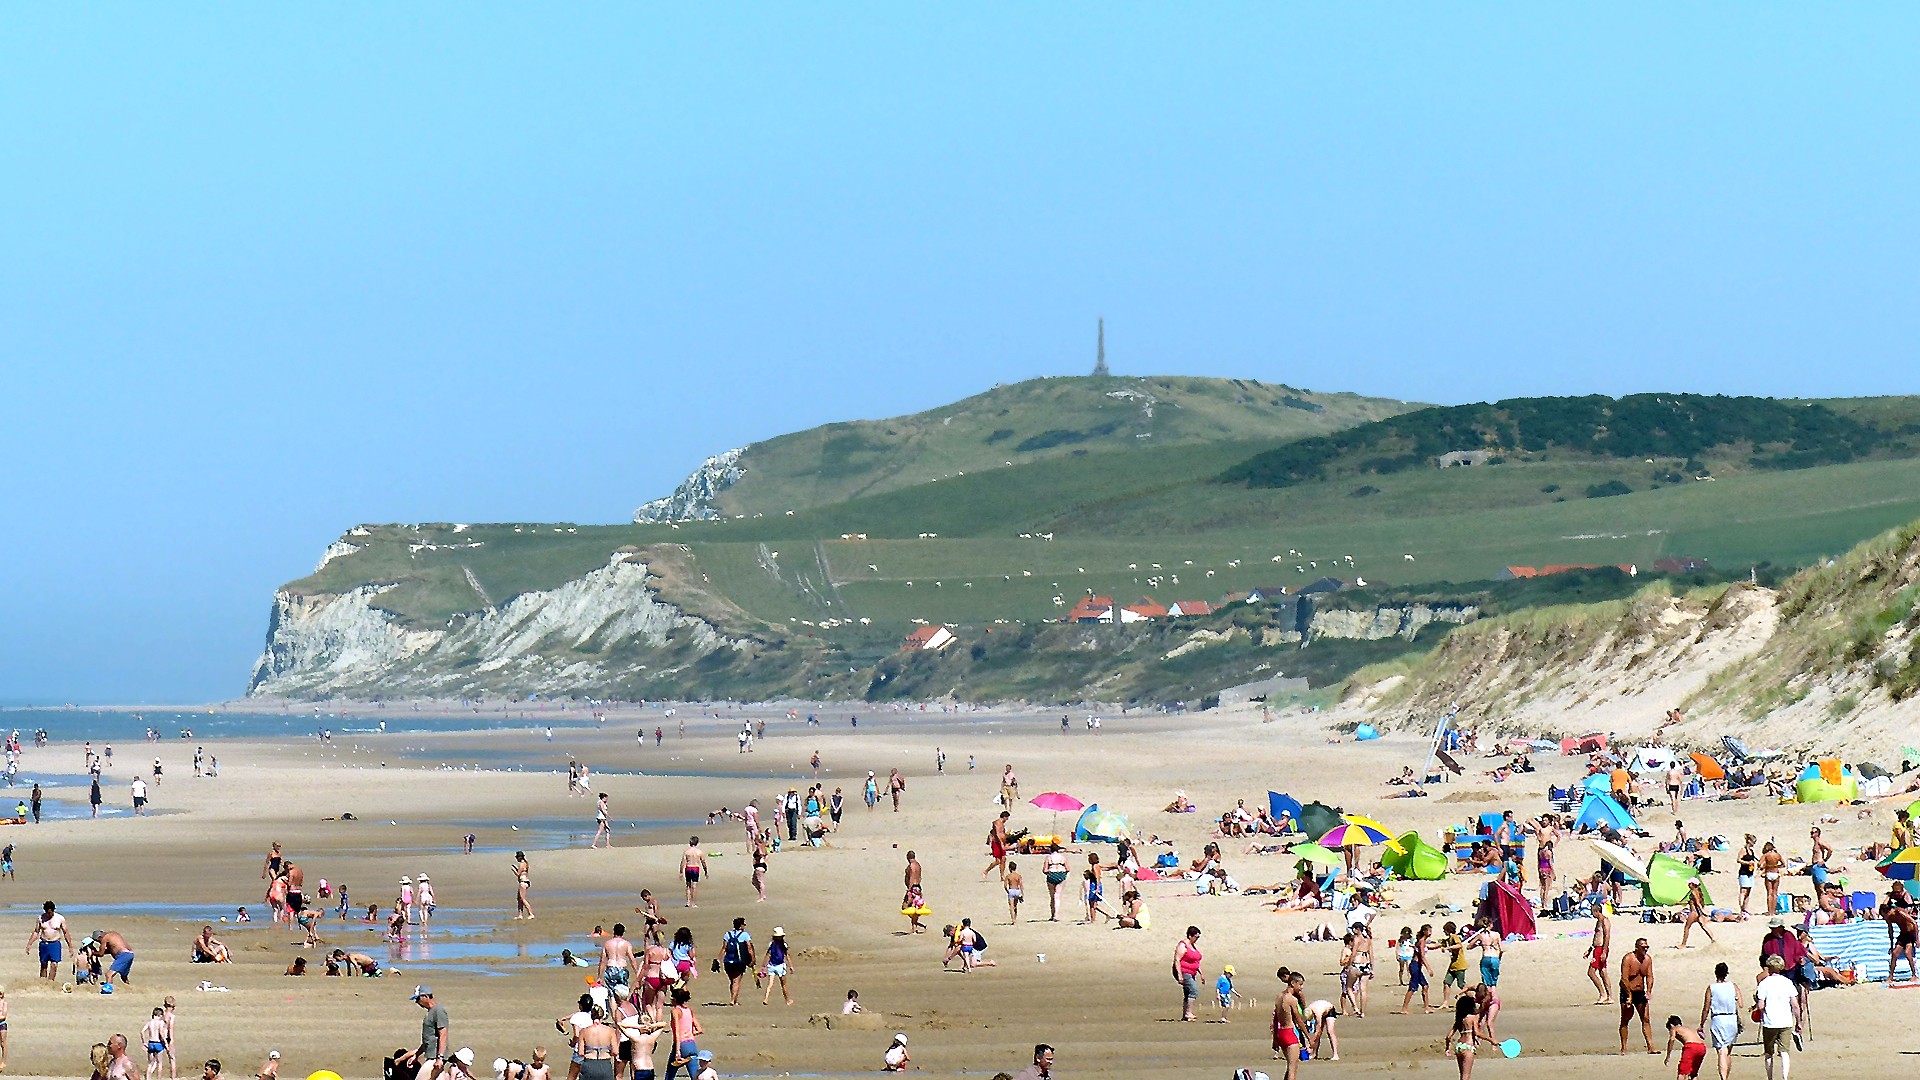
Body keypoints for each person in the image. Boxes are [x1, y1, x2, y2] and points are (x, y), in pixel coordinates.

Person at [1755, 955, 1800, 1080]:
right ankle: (1784, 1077)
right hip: (1785, 1021)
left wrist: (1761, 1013)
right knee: (1784, 1052)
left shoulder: (1764, 984)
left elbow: (1761, 1005)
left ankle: (1770, 1077)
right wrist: (1798, 1022)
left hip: (1770, 1022)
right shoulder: (1787, 982)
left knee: (1769, 1053)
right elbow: (1795, 1005)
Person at [1700, 962, 1740, 1080]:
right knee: (1727, 1051)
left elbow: (1706, 1008)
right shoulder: (1733, 986)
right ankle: (1726, 1076)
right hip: (1732, 1018)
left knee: (1722, 1051)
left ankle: (1723, 1078)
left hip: (1718, 1019)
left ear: (1715, 973)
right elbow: (1741, 1003)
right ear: (1726, 973)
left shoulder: (1711, 987)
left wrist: (1701, 1024)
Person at [401, 985, 449, 1080]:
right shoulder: (431, 1012)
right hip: (432, 1057)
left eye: (418, 999)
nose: (417, 1002)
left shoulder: (438, 1011)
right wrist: (416, 1055)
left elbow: (443, 1034)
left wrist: (440, 1058)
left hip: (434, 1058)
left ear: (426, 996)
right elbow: (428, 1040)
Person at [1620, 937, 1656, 1055]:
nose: (1645, 949)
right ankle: (1624, 1048)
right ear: (1637, 948)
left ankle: (1650, 1046)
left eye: (1647, 947)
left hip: (1640, 991)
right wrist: (1629, 995)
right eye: (1643, 947)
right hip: (1627, 991)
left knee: (1646, 1019)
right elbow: (1624, 979)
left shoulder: (1647, 959)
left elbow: (1650, 976)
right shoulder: (1628, 959)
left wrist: (1649, 991)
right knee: (1626, 1018)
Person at [28, 899, 73, 980]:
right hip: (44, 943)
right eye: (47, 912)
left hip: (55, 943)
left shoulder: (60, 918)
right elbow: (36, 932)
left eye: (50, 912)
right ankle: (43, 981)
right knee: (43, 964)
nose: (49, 914)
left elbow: (66, 932)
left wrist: (70, 946)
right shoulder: (41, 918)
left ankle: (51, 981)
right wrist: (29, 944)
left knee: (54, 965)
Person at [664, 988, 701, 1080]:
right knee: (695, 1076)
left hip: (681, 1044)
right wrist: (690, 1033)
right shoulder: (689, 1010)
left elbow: (677, 1031)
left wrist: (677, 1051)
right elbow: (699, 1029)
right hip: (691, 1044)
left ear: (675, 999)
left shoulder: (675, 1011)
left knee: (670, 1075)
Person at [1271, 972, 1304, 1074]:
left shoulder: (1279, 996)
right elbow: (1298, 1020)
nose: (1301, 988)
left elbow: (1275, 1019)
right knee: (1292, 1069)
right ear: (1293, 983)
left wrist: (1275, 1038)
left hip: (1281, 1033)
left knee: (1290, 1066)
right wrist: (1309, 1037)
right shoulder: (1291, 999)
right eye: (1300, 984)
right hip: (1289, 1033)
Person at [721, 918, 754, 1006]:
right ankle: (733, 1000)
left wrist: (718, 959)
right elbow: (749, 948)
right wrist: (752, 959)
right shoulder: (745, 935)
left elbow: (724, 948)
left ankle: (734, 1000)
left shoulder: (727, 934)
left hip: (727, 961)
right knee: (736, 981)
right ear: (741, 925)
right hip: (738, 961)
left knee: (732, 981)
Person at [1174, 925, 1204, 1022]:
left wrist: (1201, 973)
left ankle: (1185, 1015)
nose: (1197, 939)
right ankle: (1188, 1013)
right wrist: (1179, 975)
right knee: (1193, 990)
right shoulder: (1183, 945)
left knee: (1187, 993)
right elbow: (1177, 959)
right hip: (1183, 971)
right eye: (1196, 937)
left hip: (1192, 972)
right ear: (1190, 936)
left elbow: (1195, 961)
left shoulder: (1193, 946)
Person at [1678, 878, 1716, 948]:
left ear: (1692, 884)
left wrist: (1703, 912)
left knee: (1687, 927)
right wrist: (1679, 903)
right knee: (1703, 926)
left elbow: (1697, 902)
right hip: (1697, 913)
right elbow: (1693, 902)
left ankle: (1683, 944)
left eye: (1689, 883)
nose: (1688, 884)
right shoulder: (1697, 891)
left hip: (1694, 912)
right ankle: (1713, 939)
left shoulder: (1693, 892)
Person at [1587, 904, 1613, 1004]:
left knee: (1591, 972)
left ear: (1596, 911)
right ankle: (1609, 996)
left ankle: (1603, 994)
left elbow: (1607, 936)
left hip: (1601, 949)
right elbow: (1596, 937)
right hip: (1596, 949)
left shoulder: (1604, 921)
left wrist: (1604, 952)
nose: (1591, 913)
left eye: (1592, 911)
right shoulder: (1598, 921)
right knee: (1603, 973)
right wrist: (1589, 950)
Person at [1449, 993, 1479, 1080]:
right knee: (1466, 1076)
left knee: (1462, 1075)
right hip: (1468, 1047)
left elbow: (1448, 1036)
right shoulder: (1473, 1018)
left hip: (1459, 1046)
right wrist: (1491, 1040)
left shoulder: (1459, 1019)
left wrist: (1447, 1048)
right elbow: (1477, 1033)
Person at [600, 923, 635, 996]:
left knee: (612, 994)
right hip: (622, 969)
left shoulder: (607, 943)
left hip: (610, 969)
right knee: (623, 993)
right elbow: (632, 960)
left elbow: (602, 961)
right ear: (623, 932)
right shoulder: (626, 944)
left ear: (614, 931)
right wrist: (637, 972)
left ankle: (614, 1006)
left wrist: (599, 976)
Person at [761, 927, 794, 1006]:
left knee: (770, 984)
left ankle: (766, 998)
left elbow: (768, 955)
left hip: (771, 965)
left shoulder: (771, 944)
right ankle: (788, 1000)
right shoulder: (784, 945)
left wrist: (763, 965)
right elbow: (787, 956)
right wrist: (791, 966)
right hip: (780, 966)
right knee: (783, 984)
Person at [681, 838, 707, 908]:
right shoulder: (699, 852)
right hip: (695, 868)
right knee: (694, 886)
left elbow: (683, 862)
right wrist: (706, 871)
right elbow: (703, 862)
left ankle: (688, 902)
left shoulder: (687, 852)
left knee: (688, 886)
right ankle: (693, 903)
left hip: (688, 868)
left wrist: (681, 872)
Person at [513, 852, 534, 920]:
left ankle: (530, 914)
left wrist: (513, 870)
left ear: (519, 857)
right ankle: (520, 915)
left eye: (517, 857)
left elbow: (518, 874)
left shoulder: (521, 864)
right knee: (519, 899)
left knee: (523, 899)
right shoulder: (525, 863)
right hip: (525, 882)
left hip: (523, 882)